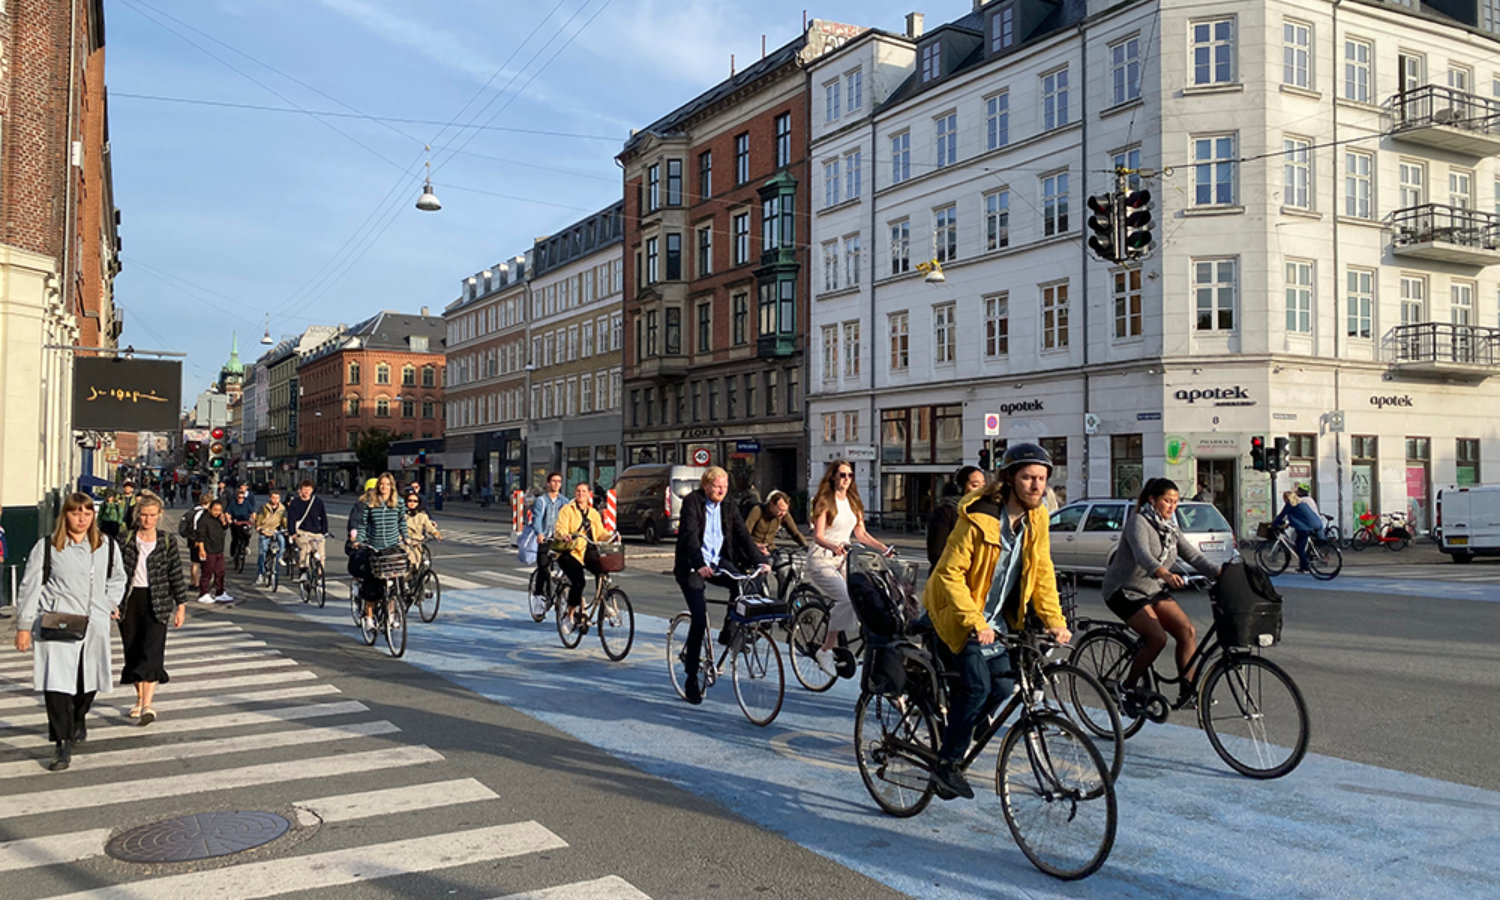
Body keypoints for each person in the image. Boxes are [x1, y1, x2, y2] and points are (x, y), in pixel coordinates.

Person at [924, 443, 1072, 800]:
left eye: (1042, 478)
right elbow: (948, 575)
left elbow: (1042, 572)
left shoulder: (1037, 518)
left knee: (1004, 687)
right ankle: (947, 764)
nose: (1037, 486)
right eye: (1027, 478)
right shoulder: (979, 517)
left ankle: (963, 727)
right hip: (957, 615)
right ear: (1009, 479)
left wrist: (1054, 619)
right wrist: (975, 621)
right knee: (974, 687)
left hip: (997, 622)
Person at [13, 492, 127, 771]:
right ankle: (61, 743)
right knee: (57, 684)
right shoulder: (49, 547)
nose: (81, 519)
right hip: (58, 622)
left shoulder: (106, 546)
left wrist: (109, 603)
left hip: (94, 624)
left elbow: (118, 578)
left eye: (87, 514)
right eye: (76, 513)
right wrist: (24, 626)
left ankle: (79, 716)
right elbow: (30, 586)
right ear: (65, 515)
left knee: (88, 683)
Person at [1101, 477, 1222, 710]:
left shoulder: (1171, 527)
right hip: (1124, 590)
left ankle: (1187, 692)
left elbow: (1193, 556)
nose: (1172, 507)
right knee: (1157, 638)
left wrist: (1220, 572)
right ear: (1152, 500)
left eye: (1175, 502)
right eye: (1167, 501)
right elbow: (1142, 554)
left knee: (1187, 631)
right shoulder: (1139, 522)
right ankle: (1126, 687)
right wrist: (1163, 573)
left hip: (1152, 590)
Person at [673, 466, 769, 704]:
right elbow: (689, 535)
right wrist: (698, 564)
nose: (721, 491)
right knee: (699, 619)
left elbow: (743, 535)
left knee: (741, 585)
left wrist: (761, 561)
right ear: (705, 485)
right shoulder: (692, 503)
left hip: (717, 562)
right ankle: (691, 678)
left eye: (725, 487)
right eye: (717, 486)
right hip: (692, 565)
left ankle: (728, 633)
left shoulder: (728, 506)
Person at [807, 459, 892, 676]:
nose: (846, 479)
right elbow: (818, 536)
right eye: (842, 475)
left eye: (850, 475)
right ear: (833, 476)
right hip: (823, 558)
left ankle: (860, 639)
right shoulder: (824, 501)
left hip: (845, 558)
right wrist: (833, 546)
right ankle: (825, 650)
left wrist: (883, 548)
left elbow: (861, 534)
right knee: (846, 598)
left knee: (865, 594)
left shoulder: (854, 502)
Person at [117, 493, 189, 727]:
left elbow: (176, 574)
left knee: (152, 650)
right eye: (144, 515)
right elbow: (113, 573)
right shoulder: (125, 539)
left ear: (159, 515)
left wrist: (181, 606)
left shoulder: (167, 541)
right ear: (138, 516)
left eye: (152, 515)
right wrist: (110, 602)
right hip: (129, 599)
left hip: (157, 599)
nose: (147, 520)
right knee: (133, 649)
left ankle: (148, 704)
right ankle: (139, 699)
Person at [349, 472, 407, 630]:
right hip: (375, 547)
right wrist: (359, 540)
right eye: (381, 484)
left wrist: (406, 537)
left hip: (392, 547)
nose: (384, 487)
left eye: (387, 484)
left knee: (395, 582)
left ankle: (392, 614)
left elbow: (402, 521)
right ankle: (368, 617)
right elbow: (363, 525)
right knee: (372, 584)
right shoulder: (370, 503)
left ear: (392, 486)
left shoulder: (399, 503)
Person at [552, 481, 611, 632]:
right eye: (578, 491)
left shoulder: (593, 513)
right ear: (574, 493)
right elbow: (560, 528)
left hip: (587, 550)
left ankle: (603, 607)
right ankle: (569, 614)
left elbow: (600, 533)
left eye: (584, 491)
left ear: (588, 494)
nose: (581, 494)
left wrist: (611, 537)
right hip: (569, 551)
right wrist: (564, 535)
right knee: (578, 581)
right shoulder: (567, 510)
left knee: (603, 571)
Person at [927, 466, 987, 570]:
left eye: (983, 485)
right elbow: (936, 552)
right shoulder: (946, 511)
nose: (981, 490)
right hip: (950, 574)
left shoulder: (985, 510)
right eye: (975, 485)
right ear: (960, 487)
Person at [529, 473, 566, 608]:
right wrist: (539, 534)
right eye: (554, 481)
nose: (556, 484)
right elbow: (537, 518)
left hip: (559, 540)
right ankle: (539, 597)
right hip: (545, 539)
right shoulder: (541, 501)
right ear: (548, 483)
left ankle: (561, 594)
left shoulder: (564, 501)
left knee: (567, 567)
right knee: (543, 568)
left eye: (559, 481)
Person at [286, 480, 328, 583]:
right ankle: (303, 571)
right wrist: (293, 533)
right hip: (302, 532)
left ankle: (319, 574)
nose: (306, 492)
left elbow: (323, 517)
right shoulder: (295, 503)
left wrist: (324, 531)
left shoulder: (317, 502)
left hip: (316, 532)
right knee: (305, 549)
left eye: (308, 489)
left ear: (312, 490)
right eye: (304, 489)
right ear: (300, 490)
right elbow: (291, 519)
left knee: (320, 554)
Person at [1274, 490, 1324, 574]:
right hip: (1316, 524)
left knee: (1299, 548)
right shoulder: (1301, 503)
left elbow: (1281, 515)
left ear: (1287, 498)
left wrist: (1274, 524)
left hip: (1306, 528)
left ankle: (1306, 565)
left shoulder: (1290, 504)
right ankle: (1302, 567)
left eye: (1284, 498)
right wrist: (1289, 524)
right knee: (1300, 544)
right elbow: (1300, 517)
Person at [744, 490, 808, 555]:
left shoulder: (784, 515)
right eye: (779, 510)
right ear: (771, 504)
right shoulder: (758, 511)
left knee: (779, 562)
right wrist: (755, 545)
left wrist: (806, 546)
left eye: (785, 510)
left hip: (770, 549)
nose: (782, 514)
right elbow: (745, 533)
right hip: (753, 549)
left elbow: (795, 533)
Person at [195, 498, 232, 604]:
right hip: (208, 549)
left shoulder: (219, 518)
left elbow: (224, 528)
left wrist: (224, 521)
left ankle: (220, 592)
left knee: (220, 572)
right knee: (207, 572)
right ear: (210, 509)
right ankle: (203, 593)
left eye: (219, 510)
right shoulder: (204, 520)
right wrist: (201, 549)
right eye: (215, 510)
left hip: (219, 549)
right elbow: (200, 536)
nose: (217, 512)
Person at [253, 489, 289, 585]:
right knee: (262, 553)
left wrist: (287, 529)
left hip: (275, 530)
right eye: (273, 497)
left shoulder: (282, 509)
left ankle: (279, 557)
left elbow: (284, 521)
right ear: (269, 498)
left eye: (277, 498)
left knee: (282, 541)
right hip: (265, 530)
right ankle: (260, 574)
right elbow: (259, 518)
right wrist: (259, 527)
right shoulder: (264, 507)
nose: (275, 500)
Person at [403, 492, 442, 572]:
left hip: (417, 543)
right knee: (411, 560)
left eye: (415, 501)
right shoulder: (402, 515)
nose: (412, 503)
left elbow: (429, 527)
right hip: (405, 544)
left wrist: (436, 534)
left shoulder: (422, 516)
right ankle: (406, 581)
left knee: (420, 562)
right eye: (410, 500)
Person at [224, 484, 256, 568]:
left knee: (247, 534)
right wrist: (229, 520)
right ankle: (233, 555)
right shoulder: (233, 503)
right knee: (235, 538)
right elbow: (227, 513)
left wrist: (254, 519)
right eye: (239, 497)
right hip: (236, 522)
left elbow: (253, 512)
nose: (240, 499)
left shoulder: (247, 503)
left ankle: (245, 546)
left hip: (245, 522)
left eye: (242, 497)